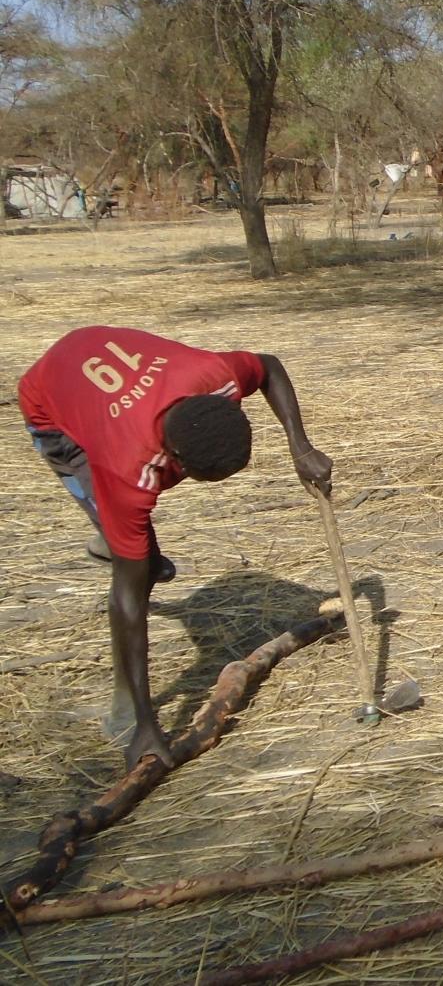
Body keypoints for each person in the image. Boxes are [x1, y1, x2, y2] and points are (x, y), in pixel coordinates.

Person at [17, 326, 333, 770]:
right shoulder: (128, 468)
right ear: (174, 461)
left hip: (90, 355)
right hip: (53, 410)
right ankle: (125, 709)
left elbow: (269, 367)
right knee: (136, 573)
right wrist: (148, 724)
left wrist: (301, 447)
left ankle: (124, 542)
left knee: (134, 548)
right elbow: (127, 604)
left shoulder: (216, 377)